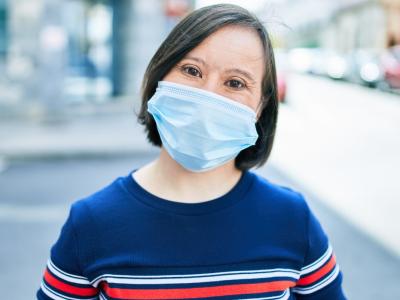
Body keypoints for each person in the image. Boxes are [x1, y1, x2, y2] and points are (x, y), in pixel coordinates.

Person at [37, 4, 346, 300]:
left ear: (260, 108)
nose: (207, 95)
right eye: (191, 70)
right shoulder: (92, 223)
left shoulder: (292, 219)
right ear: (159, 77)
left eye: (235, 83)